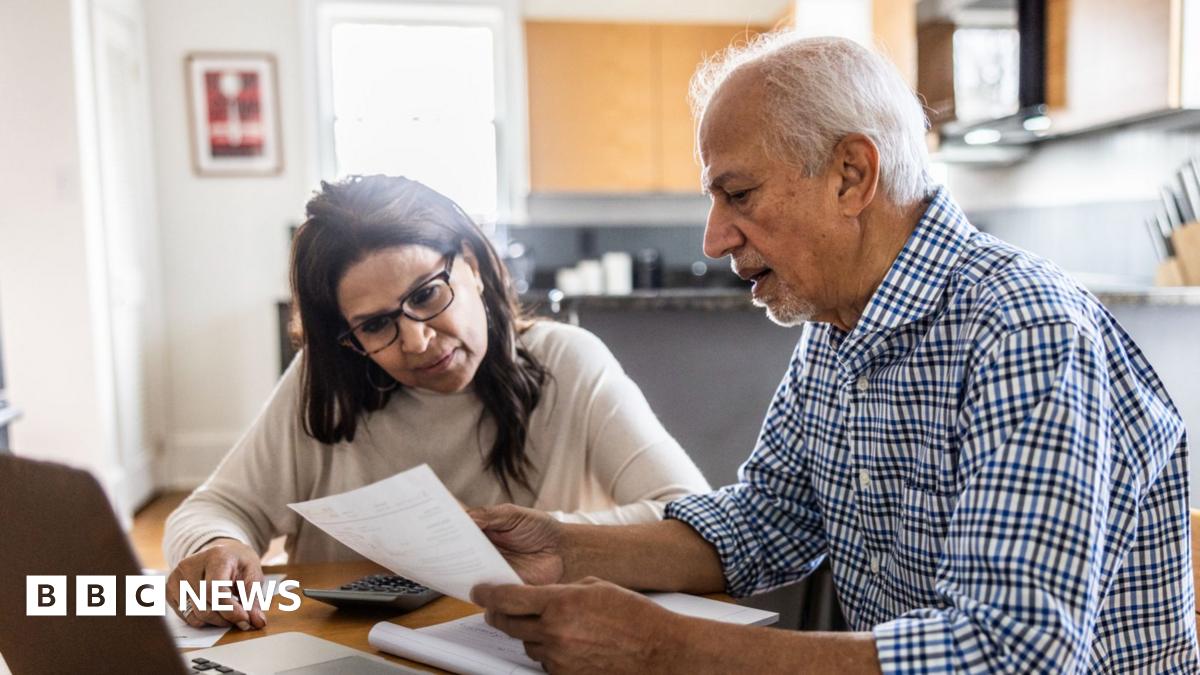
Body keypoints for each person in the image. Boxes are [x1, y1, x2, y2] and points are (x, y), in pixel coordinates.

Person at [469, 34, 1198, 674]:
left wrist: (671, 649)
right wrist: (565, 549)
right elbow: (769, 519)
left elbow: (1009, 654)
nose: (714, 238)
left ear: (852, 175)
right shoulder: (837, 324)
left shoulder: (1022, 328)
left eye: (739, 194)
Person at [163, 175, 710, 631]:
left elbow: (692, 517)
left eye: (426, 295)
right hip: (347, 655)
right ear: (348, 339)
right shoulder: (325, 383)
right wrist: (217, 545)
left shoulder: (566, 361)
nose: (418, 341)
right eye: (377, 325)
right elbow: (215, 510)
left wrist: (551, 536)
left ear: (471, 263)